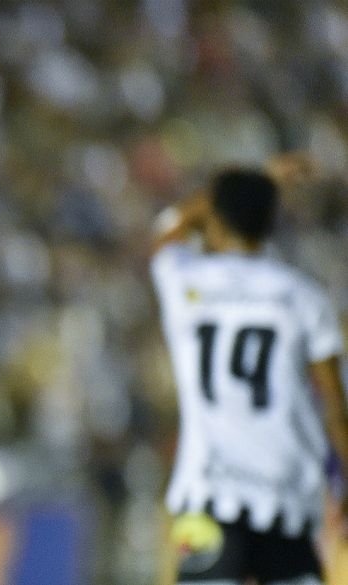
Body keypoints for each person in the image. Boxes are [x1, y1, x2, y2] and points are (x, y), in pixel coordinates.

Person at [150, 166, 348, 585]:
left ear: (214, 219)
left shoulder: (185, 283)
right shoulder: (302, 296)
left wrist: (252, 180)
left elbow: (166, 231)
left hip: (207, 491)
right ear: (272, 222)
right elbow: (334, 406)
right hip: (287, 495)